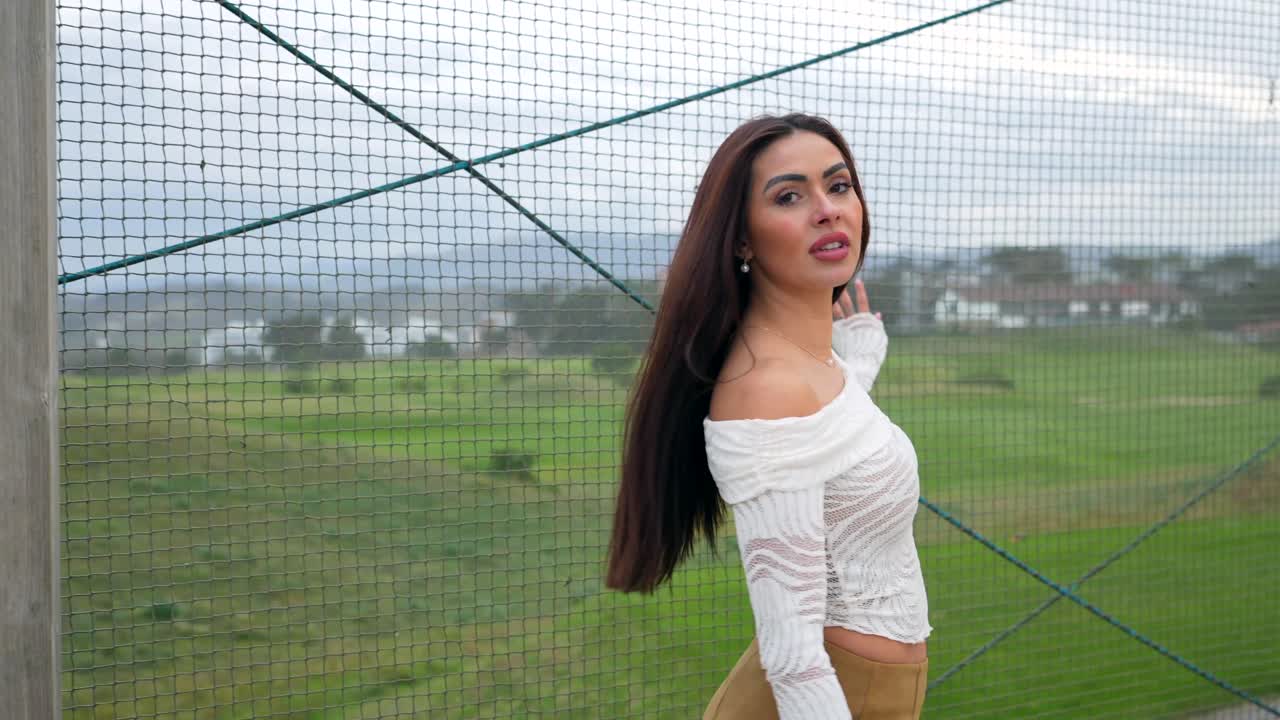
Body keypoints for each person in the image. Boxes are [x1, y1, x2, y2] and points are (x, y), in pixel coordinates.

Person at [605, 113, 930, 719]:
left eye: (838, 186)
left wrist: (858, 366)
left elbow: (830, 449)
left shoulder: (809, 368)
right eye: (789, 196)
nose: (827, 209)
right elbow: (792, 656)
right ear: (742, 239)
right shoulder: (767, 388)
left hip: (873, 692)